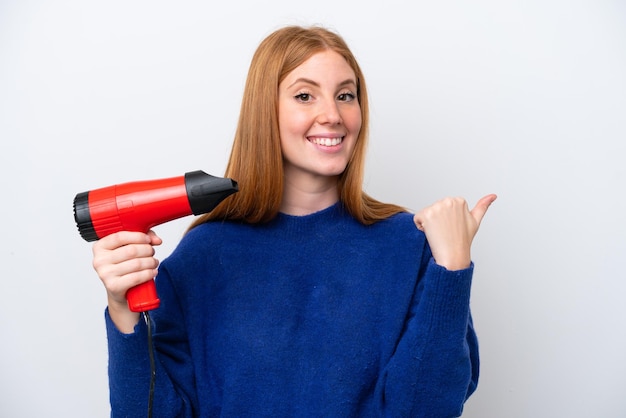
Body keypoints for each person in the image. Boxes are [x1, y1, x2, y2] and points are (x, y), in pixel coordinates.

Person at [92, 25, 497, 417]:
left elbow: (428, 409)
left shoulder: (411, 246)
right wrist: (122, 311)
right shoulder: (204, 255)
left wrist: (453, 268)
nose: (333, 115)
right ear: (264, 112)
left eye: (346, 95)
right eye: (305, 95)